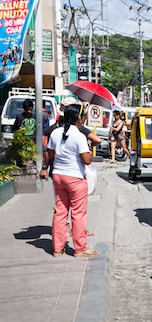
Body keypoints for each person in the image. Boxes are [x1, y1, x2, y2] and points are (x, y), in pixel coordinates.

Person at [47, 103, 98, 258]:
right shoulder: (79, 136)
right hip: (75, 178)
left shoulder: (55, 133)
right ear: (80, 118)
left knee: (60, 212)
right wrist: (89, 148)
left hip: (58, 176)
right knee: (78, 214)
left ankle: (57, 248)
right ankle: (80, 248)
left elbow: (50, 154)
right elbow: (87, 160)